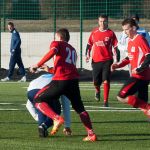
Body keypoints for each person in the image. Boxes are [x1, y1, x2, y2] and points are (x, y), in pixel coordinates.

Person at [30, 28, 97, 142]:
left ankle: (56, 118)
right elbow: (66, 68)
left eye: (55, 37)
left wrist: (37, 64)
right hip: (73, 81)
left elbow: (52, 51)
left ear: (60, 37)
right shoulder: (73, 50)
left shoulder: (57, 43)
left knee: (37, 99)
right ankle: (91, 134)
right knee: (80, 109)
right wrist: (50, 69)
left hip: (61, 81)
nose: (54, 40)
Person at [111, 18, 150, 117]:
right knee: (140, 102)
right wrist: (118, 65)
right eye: (123, 30)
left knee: (121, 96)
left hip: (139, 76)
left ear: (133, 28)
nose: (125, 32)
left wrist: (138, 69)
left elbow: (148, 55)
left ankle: (148, 108)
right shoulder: (130, 41)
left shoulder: (140, 39)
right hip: (141, 77)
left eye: (127, 29)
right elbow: (129, 58)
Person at [85, 14, 119, 107]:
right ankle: (97, 90)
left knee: (106, 80)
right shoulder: (94, 32)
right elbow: (89, 45)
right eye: (100, 21)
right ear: (98, 22)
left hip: (107, 60)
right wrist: (87, 55)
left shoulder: (111, 33)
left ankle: (105, 101)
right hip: (96, 61)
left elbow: (115, 47)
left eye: (104, 21)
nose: (102, 23)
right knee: (96, 82)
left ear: (107, 21)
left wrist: (116, 60)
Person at [26, 69, 72, 137]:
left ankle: (42, 127)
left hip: (31, 92)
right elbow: (66, 105)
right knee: (56, 111)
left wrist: (37, 117)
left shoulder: (40, 77)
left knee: (41, 110)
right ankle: (46, 124)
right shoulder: (62, 80)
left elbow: (28, 105)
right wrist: (67, 126)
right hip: (45, 91)